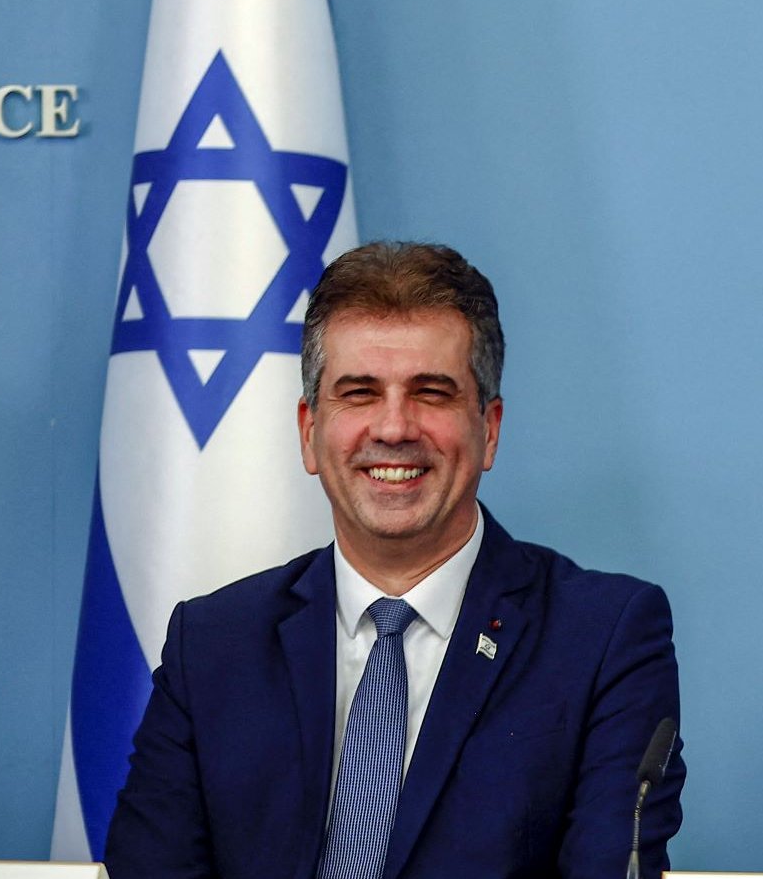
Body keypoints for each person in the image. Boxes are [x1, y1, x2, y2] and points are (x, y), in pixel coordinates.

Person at [105, 242, 683, 879]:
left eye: (431, 393)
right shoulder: (213, 644)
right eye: (359, 393)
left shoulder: (602, 637)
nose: (394, 428)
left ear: (489, 429)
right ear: (309, 432)